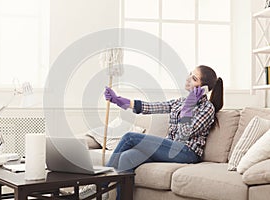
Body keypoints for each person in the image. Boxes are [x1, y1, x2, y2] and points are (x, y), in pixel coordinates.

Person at [80, 65, 223, 200]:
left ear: (203, 88)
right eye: (190, 74)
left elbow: (184, 134)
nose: (188, 78)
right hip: (170, 148)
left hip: (186, 152)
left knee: (130, 137)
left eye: (194, 78)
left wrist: (188, 108)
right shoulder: (180, 102)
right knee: (126, 158)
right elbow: (151, 107)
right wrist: (118, 100)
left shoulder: (207, 109)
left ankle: (100, 185)